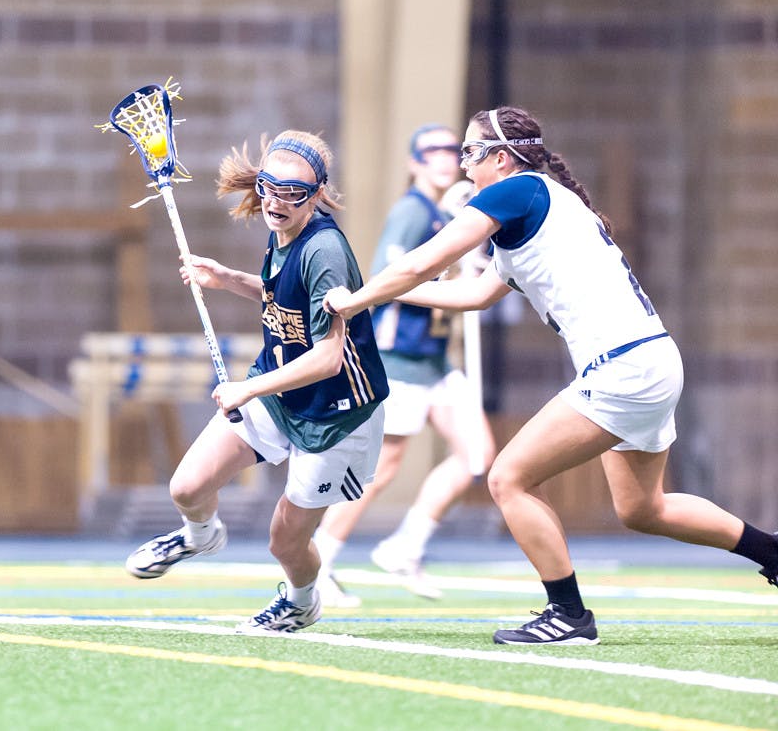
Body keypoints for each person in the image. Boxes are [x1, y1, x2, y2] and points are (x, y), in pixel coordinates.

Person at [323, 105, 778, 644]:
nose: (465, 164)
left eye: (470, 152)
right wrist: (378, 297)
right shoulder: (534, 199)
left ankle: (569, 615)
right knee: (643, 509)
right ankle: (770, 551)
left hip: (623, 368)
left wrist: (357, 300)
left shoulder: (513, 192)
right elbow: (473, 294)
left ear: (499, 157)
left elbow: (422, 262)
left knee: (507, 478)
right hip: (649, 360)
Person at [125, 130, 388, 634]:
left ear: (315, 195)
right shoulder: (281, 232)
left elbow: (330, 358)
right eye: (271, 188)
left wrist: (247, 389)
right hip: (281, 388)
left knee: (285, 542)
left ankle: (301, 600)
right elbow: (277, 297)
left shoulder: (325, 251)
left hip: (337, 414)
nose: (277, 202)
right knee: (187, 487)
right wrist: (227, 278)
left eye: (294, 194)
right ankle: (200, 535)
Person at [312, 125, 497, 608]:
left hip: (434, 360)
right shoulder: (412, 212)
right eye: (431, 151)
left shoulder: (446, 213)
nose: (443, 158)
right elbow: (389, 281)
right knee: (383, 466)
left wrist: (465, 274)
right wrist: (456, 286)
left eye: (449, 150)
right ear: (415, 162)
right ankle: (319, 561)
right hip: (399, 358)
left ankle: (405, 546)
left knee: (475, 454)